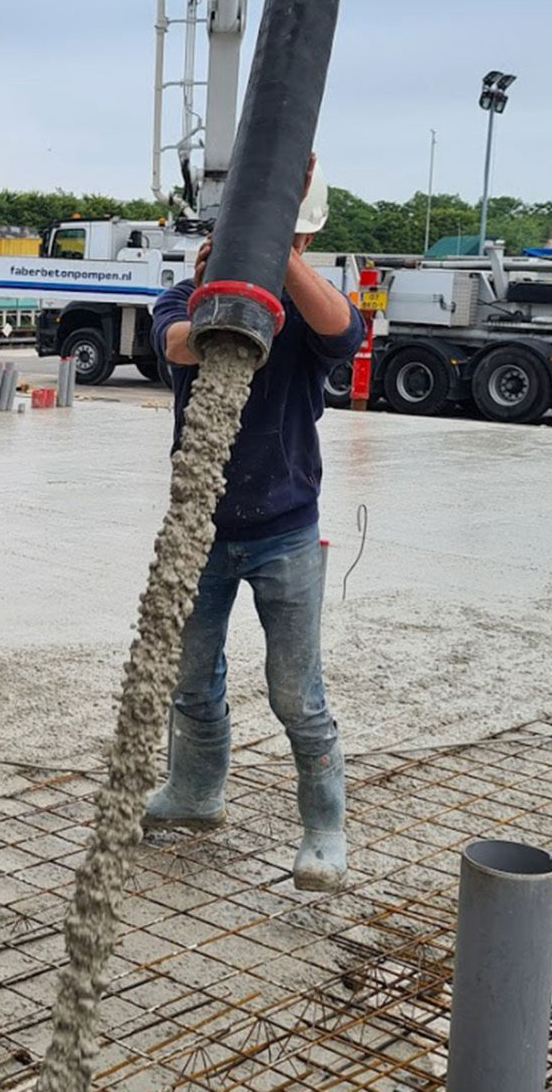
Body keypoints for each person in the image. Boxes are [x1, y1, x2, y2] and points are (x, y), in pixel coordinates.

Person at [146, 160, 364, 891]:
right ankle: (196, 794)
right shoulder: (184, 297)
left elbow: (345, 334)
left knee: (296, 695)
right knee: (190, 678)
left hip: (284, 530)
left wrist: (282, 257)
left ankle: (324, 827)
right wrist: (221, 287)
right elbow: (177, 342)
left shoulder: (308, 311)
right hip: (198, 531)